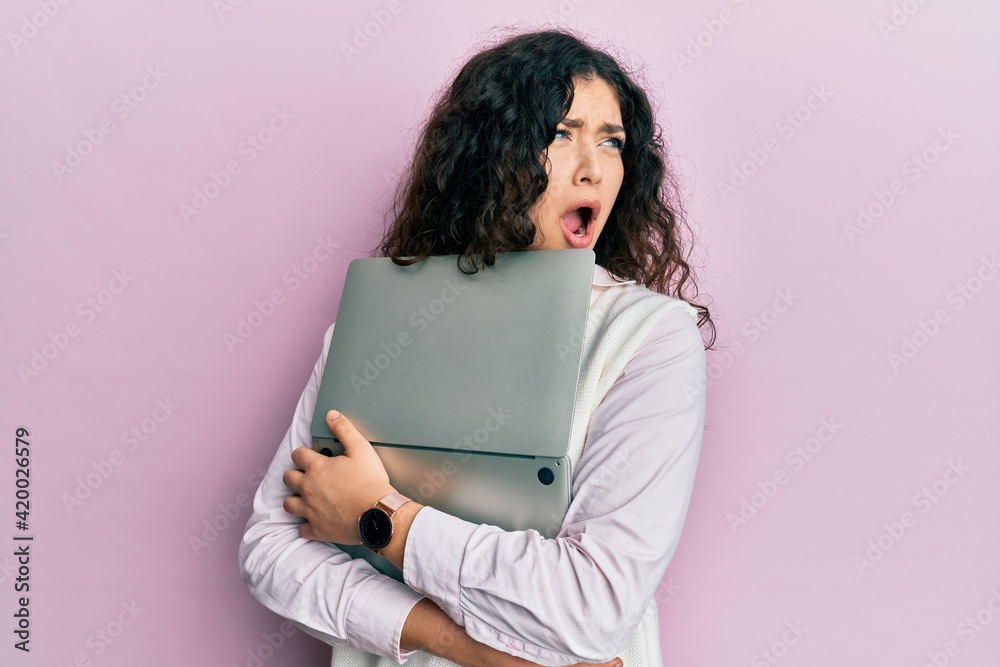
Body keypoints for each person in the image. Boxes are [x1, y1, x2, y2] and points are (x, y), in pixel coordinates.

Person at [239, 27, 715, 667]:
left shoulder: (647, 336)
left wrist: (376, 517)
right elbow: (270, 550)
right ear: (492, 154)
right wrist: (471, 649)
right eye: (561, 134)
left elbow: (593, 604)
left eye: (612, 141)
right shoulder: (375, 325)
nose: (593, 169)